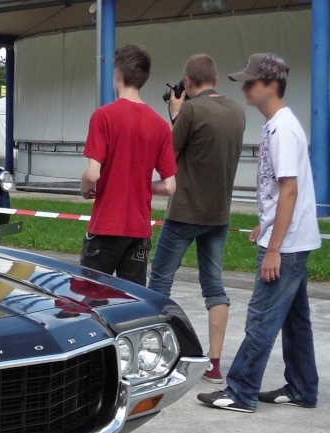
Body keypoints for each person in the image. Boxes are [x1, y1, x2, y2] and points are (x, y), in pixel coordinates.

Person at [198, 53, 321, 412]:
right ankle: (301, 387)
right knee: (296, 323)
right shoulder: (278, 125)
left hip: (287, 245)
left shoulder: (282, 129)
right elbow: (283, 192)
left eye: (252, 82)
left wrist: (274, 248)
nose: (246, 88)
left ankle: (240, 391)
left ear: (271, 85)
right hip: (291, 238)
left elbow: (290, 190)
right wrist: (265, 224)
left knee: (262, 318)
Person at [147, 54, 246, 384]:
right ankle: (214, 364)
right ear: (216, 80)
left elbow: (168, 155)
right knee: (214, 288)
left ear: (187, 83)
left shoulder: (190, 110)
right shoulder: (236, 111)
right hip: (219, 214)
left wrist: (175, 112)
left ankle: (156, 355)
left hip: (185, 212)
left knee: (160, 282)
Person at [79, 45, 177, 285]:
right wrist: (141, 184)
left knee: (90, 300)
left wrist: (84, 188)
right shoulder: (161, 125)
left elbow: (93, 174)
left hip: (105, 227)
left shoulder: (103, 116)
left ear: (119, 74)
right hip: (139, 230)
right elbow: (169, 186)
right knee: (131, 304)